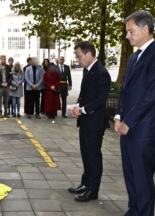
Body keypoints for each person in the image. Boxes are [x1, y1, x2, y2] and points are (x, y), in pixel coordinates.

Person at [114, 11, 155, 216]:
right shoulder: (133, 57)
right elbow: (125, 90)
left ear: (145, 29)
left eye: (131, 31)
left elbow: (151, 94)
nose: (127, 36)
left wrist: (129, 120)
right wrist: (119, 116)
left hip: (144, 129)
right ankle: (133, 211)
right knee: (130, 176)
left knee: (142, 178)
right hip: (127, 126)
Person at [68, 41, 111, 202]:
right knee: (86, 155)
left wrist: (83, 110)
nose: (77, 60)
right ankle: (85, 184)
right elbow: (85, 94)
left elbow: (101, 100)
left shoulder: (101, 73)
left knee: (94, 157)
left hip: (95, 123)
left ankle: (93, 190)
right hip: (85, 121)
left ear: (89, 54)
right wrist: (77, 106)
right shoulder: (88, 71)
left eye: (79, 57)